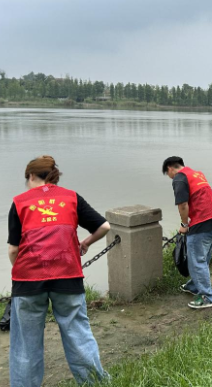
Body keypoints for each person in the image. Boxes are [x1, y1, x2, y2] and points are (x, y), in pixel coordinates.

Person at [8, 155, 110, 387]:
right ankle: (96, 383)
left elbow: (14, 250)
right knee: (78, 335)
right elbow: (104, 226)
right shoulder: (71, 197)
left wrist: (23, 273)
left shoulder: (20, 202)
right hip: (68, 277)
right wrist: (85, 243)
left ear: (31, 175)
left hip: (28, 281)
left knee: (26, 344)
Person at [162, 156, 212, 309]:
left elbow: (182, 205)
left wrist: (184, 224)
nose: (169, 177)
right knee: (202, 257)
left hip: (201, 222)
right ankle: (194, 286)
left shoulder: (179, 178)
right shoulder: (197, 174)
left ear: (170, 168)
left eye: (167, 173)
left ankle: (207, 297)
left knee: (197, 260)